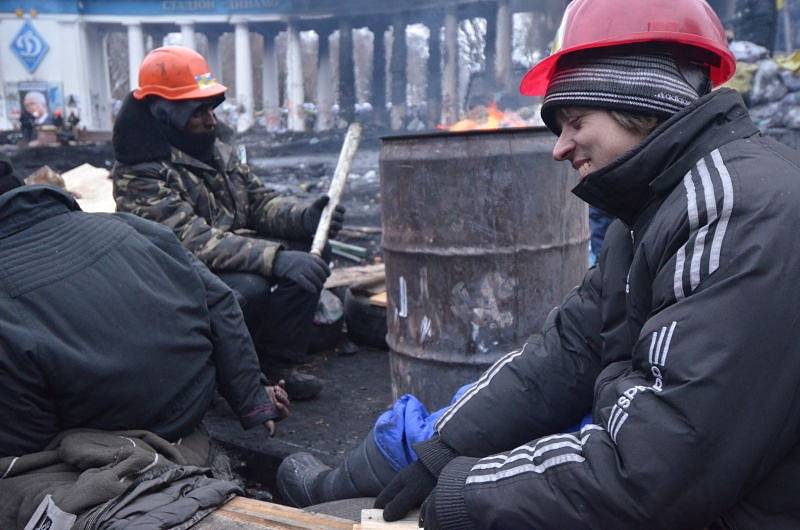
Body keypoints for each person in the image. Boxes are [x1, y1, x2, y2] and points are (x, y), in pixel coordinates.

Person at [290, 1, 800, 527]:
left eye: (575, 120)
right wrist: (441, 451)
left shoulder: (735, 211)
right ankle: (345, 483)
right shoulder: (655, 206)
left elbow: (658, 465)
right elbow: (566, 352)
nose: (560, 148)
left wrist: (466, 494)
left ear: (641, 101)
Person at [0, 153, 290, 458]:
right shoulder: (130, 226)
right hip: (191, 404)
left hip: (105, 439)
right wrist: (252, 398)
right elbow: (220, 299)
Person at [112, 47, 344, 400]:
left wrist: (305, 218)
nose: (210, 120)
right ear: (164, 112)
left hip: (226, 258)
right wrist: (275, 258)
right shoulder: (141, 172)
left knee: (312, 253)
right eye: (197, 111)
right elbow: (190, 242)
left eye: (211, 107)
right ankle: (224, 383)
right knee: (247, 289)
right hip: (172, 277)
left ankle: (276, 366)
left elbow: (257, 202)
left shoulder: (215, 148)